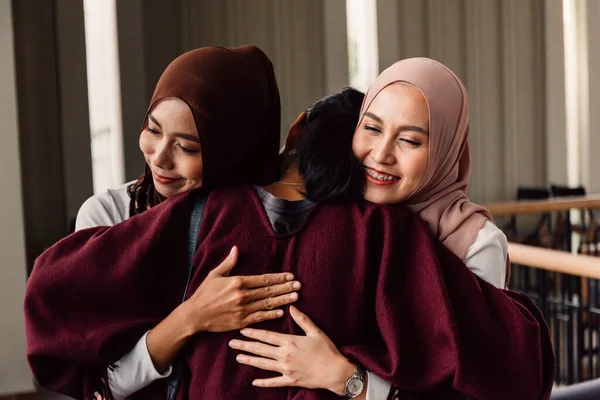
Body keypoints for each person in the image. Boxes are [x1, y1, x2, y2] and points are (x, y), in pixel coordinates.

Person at [26, 83, 554, 399]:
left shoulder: (203, 211)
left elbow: (55, 290)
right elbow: (506, 353)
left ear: (299, 130)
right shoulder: (383, 232)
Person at [28, 45, 305, 399]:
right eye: (153, 130)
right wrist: (191, 318)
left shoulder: (266, 223)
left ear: (232, 149)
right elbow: (102, 386)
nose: (159, 158)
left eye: (187, 148)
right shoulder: (109, 217)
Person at [227, 58, 515, 397]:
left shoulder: (474, 242)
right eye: (372, 128)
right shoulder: (343, 209)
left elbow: (473, 383)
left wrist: (349, 379)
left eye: (409, 140)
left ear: (445, 150)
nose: (381, 154)